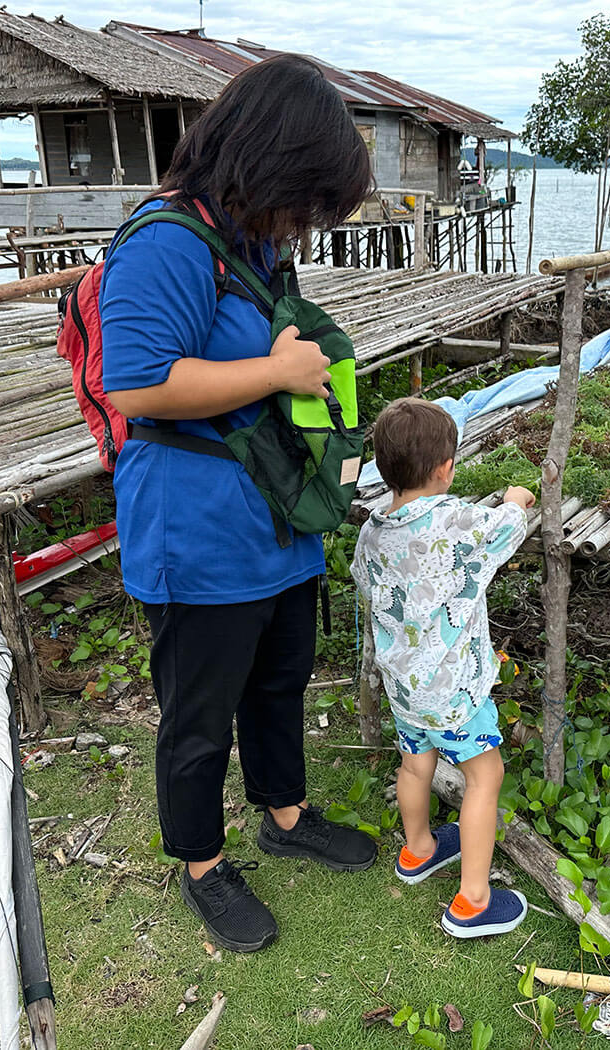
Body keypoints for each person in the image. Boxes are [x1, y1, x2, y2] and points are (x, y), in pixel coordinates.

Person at [99, 54, 377, 954]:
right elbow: (137, 384)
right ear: (268, 160)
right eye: (306, 198)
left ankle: (284, 816)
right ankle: (202, 863)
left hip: (276, 513)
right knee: (198, 709)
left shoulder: (253, 240)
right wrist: (277, 369)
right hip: (198, 524)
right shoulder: (166, 244)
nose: (306, 222)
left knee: (279, 677)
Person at [351, 398, 535, 938]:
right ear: (444, 469)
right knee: (486, 775)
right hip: (457, 691)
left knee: (415, 766)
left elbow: (368, 581)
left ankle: (419, 851)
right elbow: (508, 526)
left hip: (405, 688)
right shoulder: (459, 521)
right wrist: (517, 498)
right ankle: (473, 901)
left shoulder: (372, 530)